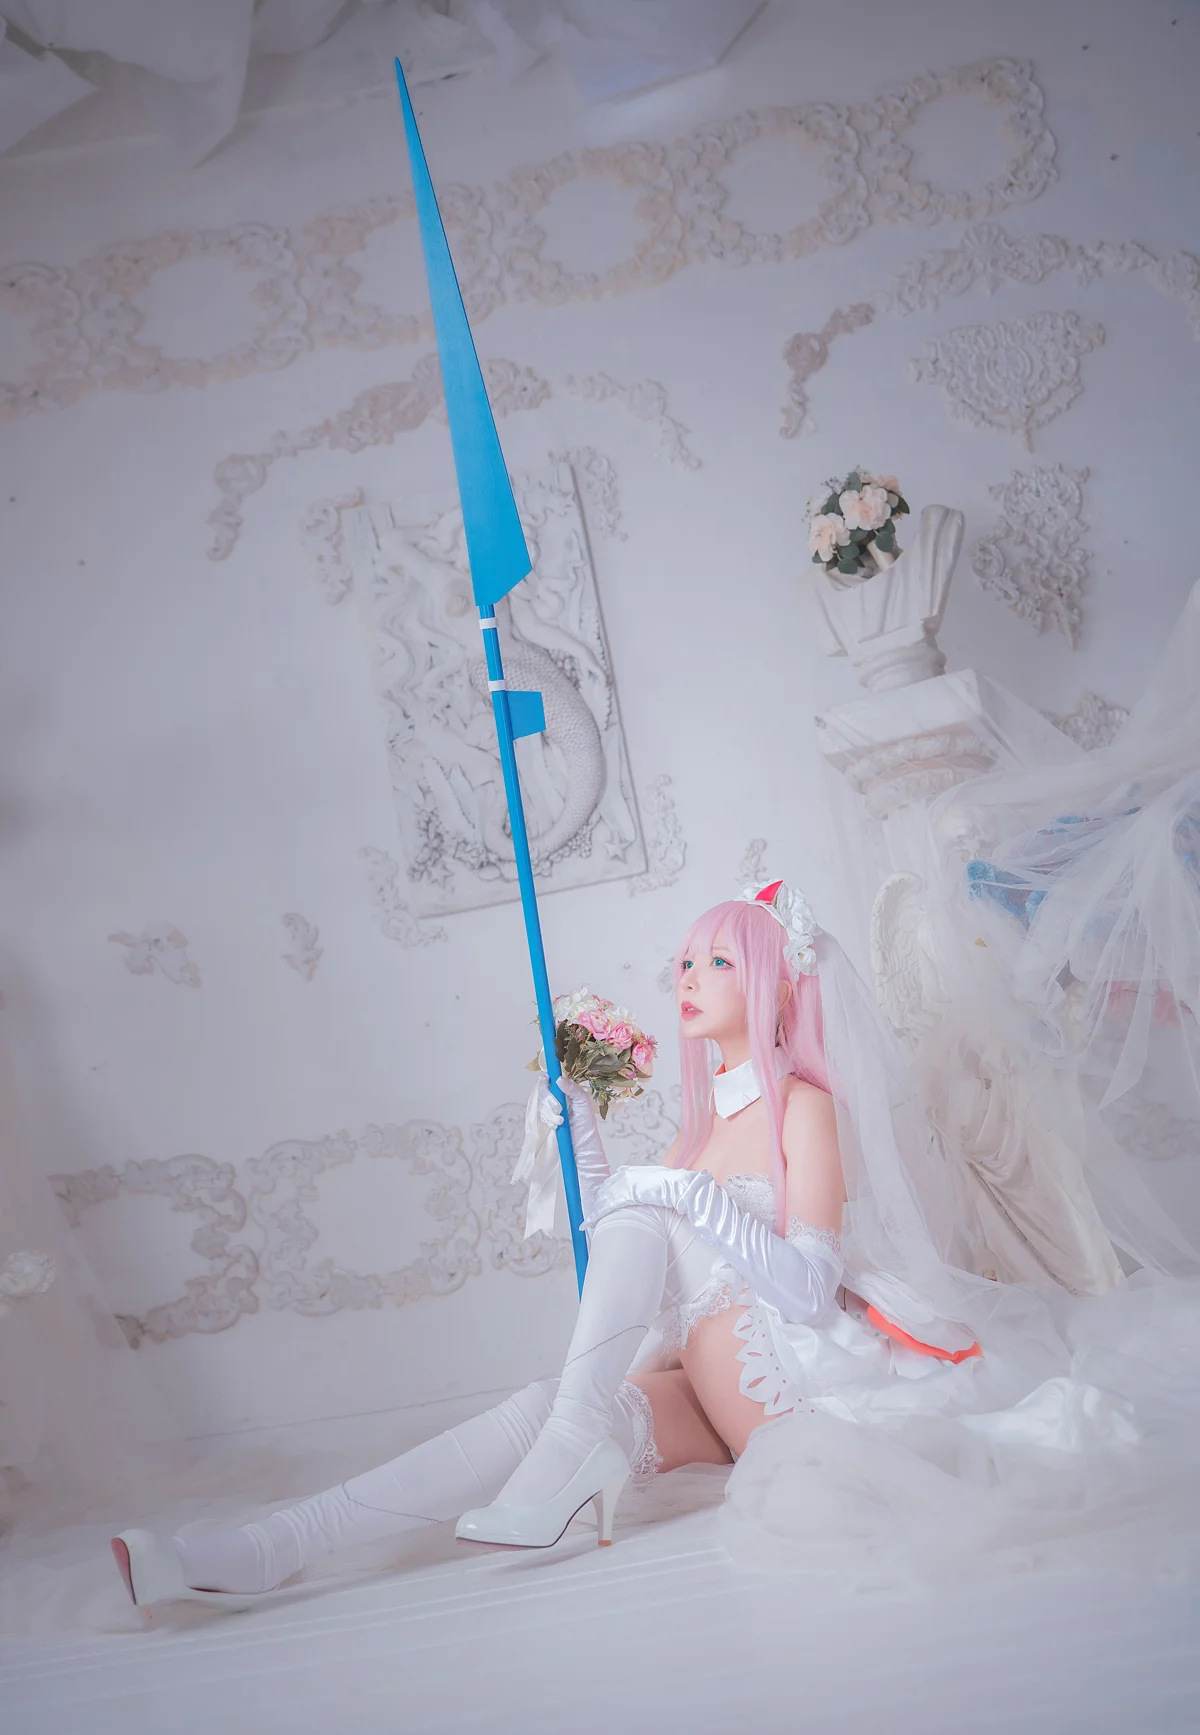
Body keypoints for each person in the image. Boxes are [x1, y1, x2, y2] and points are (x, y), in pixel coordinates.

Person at [113, 877, 985, 1609]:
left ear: (778, 985)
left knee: (633, 1249)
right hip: (706, 1403)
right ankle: (270, 1546)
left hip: (785, 1405)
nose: (690, 977)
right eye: (686, 961)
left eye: (720, 961)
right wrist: (586, 1138)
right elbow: (629, 1257)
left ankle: (568, 1447)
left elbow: (809, 1290)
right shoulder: (695, 1135)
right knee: (544, 1403)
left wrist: (682, 1194)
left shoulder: (803, 1107)